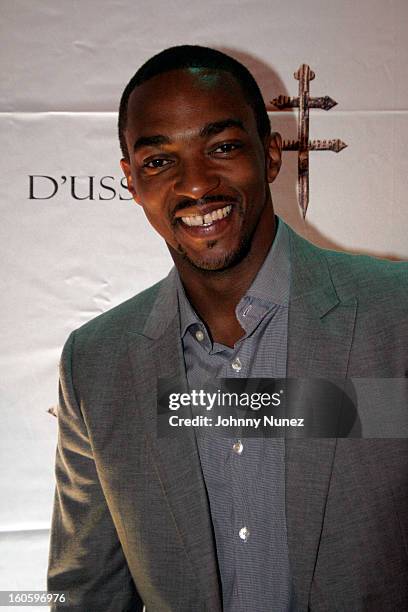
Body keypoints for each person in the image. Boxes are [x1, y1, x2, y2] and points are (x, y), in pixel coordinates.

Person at [48, 46, 408, 611]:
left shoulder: (396, 315)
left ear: (269, 154)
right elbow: (87, 591)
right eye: (158, 161)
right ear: (131, 181)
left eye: (222, 147)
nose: (195, 185)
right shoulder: (95, 364)